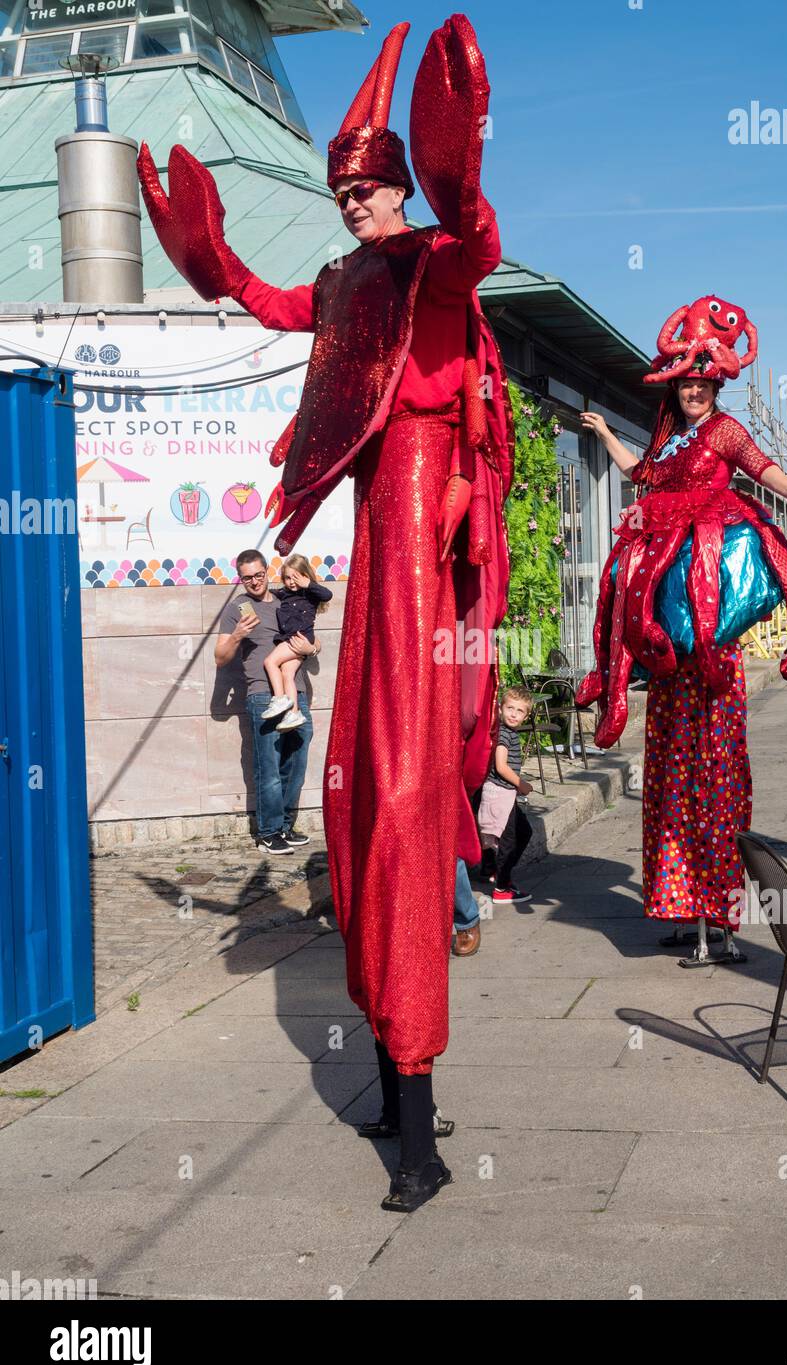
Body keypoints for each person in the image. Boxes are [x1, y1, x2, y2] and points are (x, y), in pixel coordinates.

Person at [140, 16, 511, 1215]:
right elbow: (267, 300)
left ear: (400, 184)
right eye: (343, 188)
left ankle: (414, 1096)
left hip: (422, 567)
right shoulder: (351, 278)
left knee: (401, 793)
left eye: (370, 185)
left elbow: (476, 243)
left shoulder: (430, 262)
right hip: (379, 565)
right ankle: (406, 1073)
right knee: (367, 793)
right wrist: (209, 257)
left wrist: (458, 175)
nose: (354, 203)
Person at [577, 298, 787, 966]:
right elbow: (642, 474)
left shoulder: (722, 432)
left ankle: (716, 912)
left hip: (709, 634)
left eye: (702, 382)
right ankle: (678, 902)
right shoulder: (667, 438)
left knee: (715, 774)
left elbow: (757, 464)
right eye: (685, 382)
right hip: (666, 636)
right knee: (668, 773)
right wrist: (607, 436)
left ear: (715, 384)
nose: (693, 390)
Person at [216, 550, 320, 854]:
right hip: (263, 695)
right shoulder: (238, 608)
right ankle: (268, 833)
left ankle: (285, 827)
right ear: (240, 577)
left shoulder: (284, 598)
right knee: (270, 769)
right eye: (247, 577)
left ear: (266, 571)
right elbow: (220, 659)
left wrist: (311, 648)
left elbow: (312, 637)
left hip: (296, 694)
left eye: (259, 575)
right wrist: (236, 636)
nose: (254, 581)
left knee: (296, 764)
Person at [477, 688, 534, 905]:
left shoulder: (510, 733)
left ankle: (493, 870)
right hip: (500, 792)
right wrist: (522, 784)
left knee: (522, 831)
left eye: (519, 711)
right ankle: (502, 887)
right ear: (501, 708)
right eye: (510, 708)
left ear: (525, 716)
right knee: (508, 840)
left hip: (506, 793)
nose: (513, 714)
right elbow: (501, 766)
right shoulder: (503, 733)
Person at [262, 555, 333, 730]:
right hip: (293, 640)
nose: (291, 582)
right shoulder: (284, 593)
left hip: (298, 638)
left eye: (295, 577)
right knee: (287, 673)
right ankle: (293, 713)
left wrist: (307, 584)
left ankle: (279, 699)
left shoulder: (310, 593)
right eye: (287, 578)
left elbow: (327, 594)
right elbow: (267, 593)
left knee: (270, 662)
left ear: (304, 575)